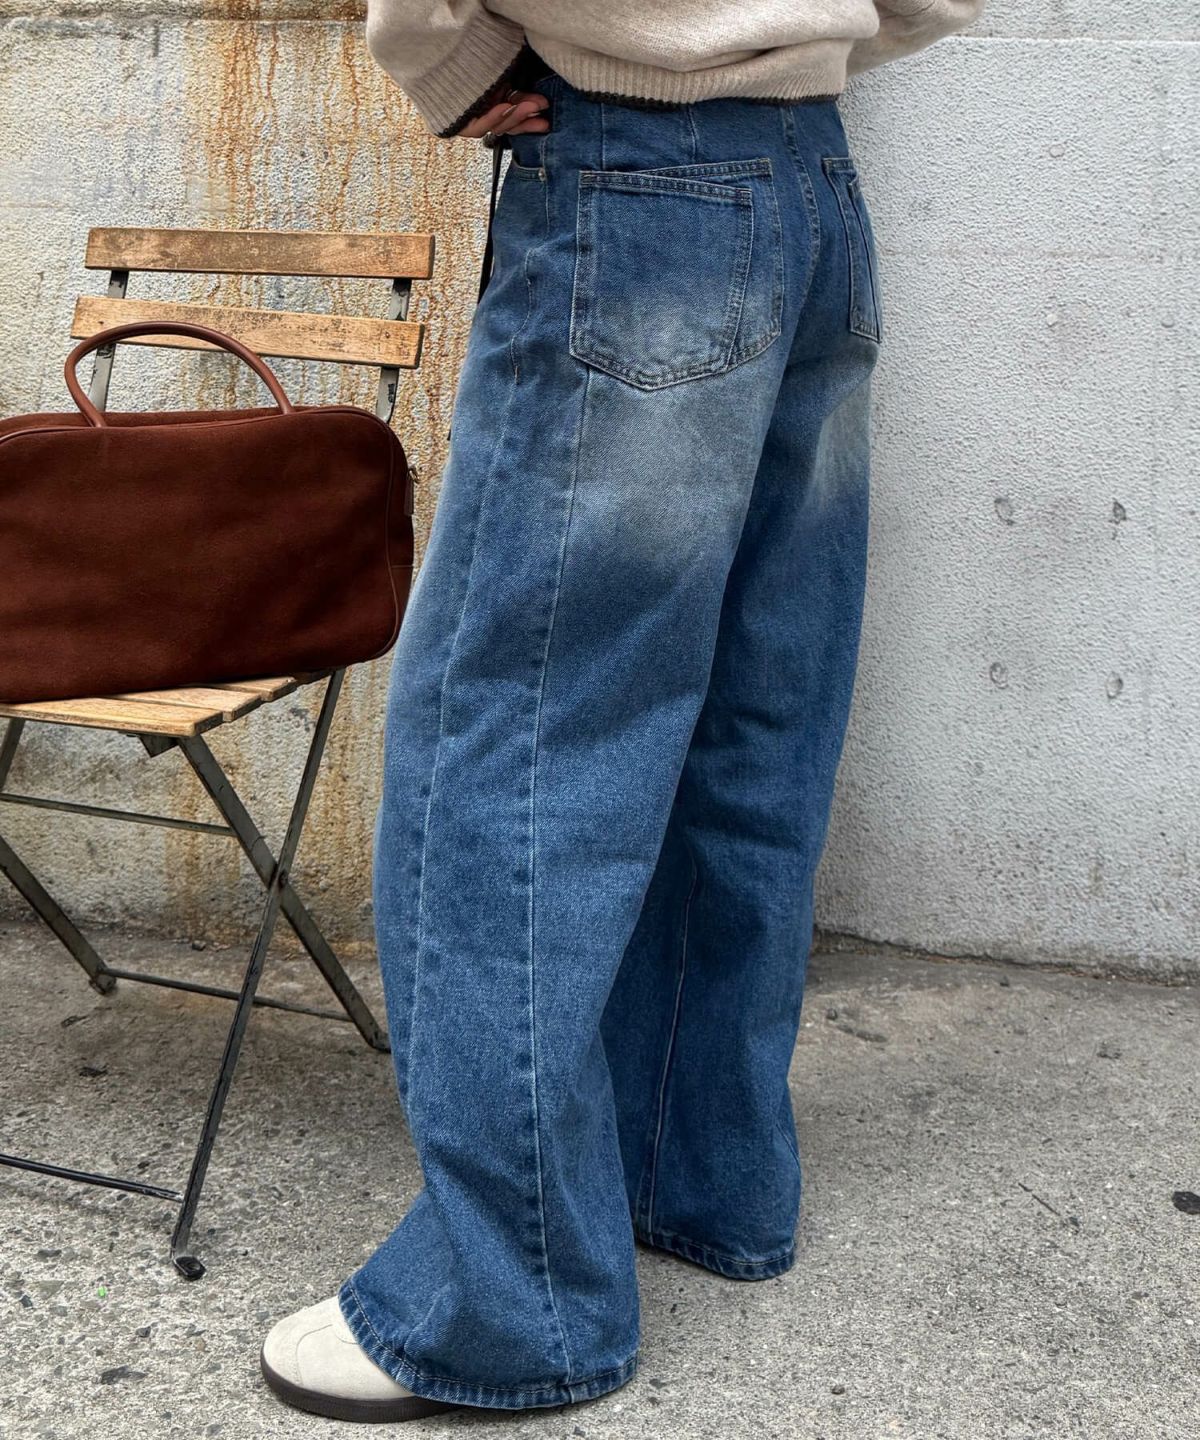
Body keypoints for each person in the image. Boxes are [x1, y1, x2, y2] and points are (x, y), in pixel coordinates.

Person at [261, 0, 983, 1423]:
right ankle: (698, 1177)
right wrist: (792, 47)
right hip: (816, 194)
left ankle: (510, 1303)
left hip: (637, 186)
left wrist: (452, 61)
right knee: (750, 724)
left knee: (507, 746)